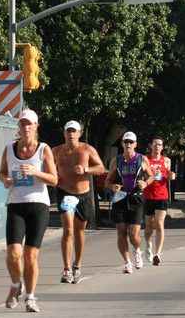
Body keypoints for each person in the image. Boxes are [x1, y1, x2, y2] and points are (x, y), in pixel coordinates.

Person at [0, 109, 57, 313]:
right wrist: (6, 180)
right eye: (22, 124)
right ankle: (16, 285)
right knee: (13, 254)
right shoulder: (9, 149)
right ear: (19, 126)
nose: (26, 128)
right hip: (16, 204)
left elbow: (54, 179)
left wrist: (35, 172)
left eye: (29, 124)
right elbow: (2, 172)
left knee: (30, 255)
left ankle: (31, 297)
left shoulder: (43, 149)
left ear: (36, 127)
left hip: (38, 205)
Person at [52, 120, 105, 284]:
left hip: (83, 194)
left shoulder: (87, 150)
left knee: (79, 231)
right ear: (64, 133)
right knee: (68, 230)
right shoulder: (56, 151)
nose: (71, 134)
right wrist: (54, 177)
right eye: (68, 131)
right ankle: (66, 268)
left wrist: (86, 170)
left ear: (79, 133)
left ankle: (77, 265)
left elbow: (101, 168)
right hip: (64, 193)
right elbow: (46, 169)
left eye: (74, 131)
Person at [105, 131, 152, 274]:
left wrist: (145, 183)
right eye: (126, 142)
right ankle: (127, 262)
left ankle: (137, 250)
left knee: (133, 234)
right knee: (120, 231)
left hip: (136, 198)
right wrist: (112, 186)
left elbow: (150, 176)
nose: (128, 145)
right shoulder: (116, 161)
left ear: (136, 144)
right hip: (120, 197)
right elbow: (108, 180)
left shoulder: (142, 159)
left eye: (131, 142)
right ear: (122, 144)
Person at [143, 137, 175, 266]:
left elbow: (168, 175)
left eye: (159, 145)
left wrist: (171, 176)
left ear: (162, 148)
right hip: (148, 195)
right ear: (151, 146)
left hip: (162, 195)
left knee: (159, 223)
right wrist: (149, 175)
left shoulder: (166, 160)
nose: (157, 146)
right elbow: (142, 175)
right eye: (155, 144)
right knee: (149, 226)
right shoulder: (145, 159)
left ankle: (158, 253)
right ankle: (149, 245)